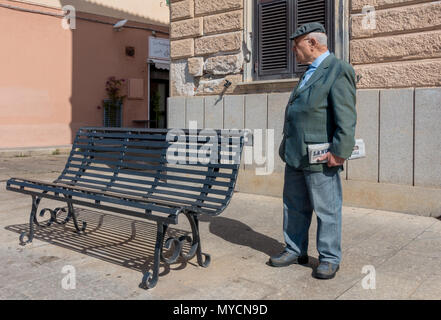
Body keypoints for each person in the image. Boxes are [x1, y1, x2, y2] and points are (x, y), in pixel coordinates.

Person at [269, 22, 357, 280]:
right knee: (294, 205)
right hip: (296, 153)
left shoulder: (338, 69)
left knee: (327, 208)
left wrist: (340, 151)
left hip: (322, 156)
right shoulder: (308, 72)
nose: (294, 52)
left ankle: (329, 258)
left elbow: (347, 116)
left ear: (312, 43)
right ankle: (295, 249)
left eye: (297, 47)